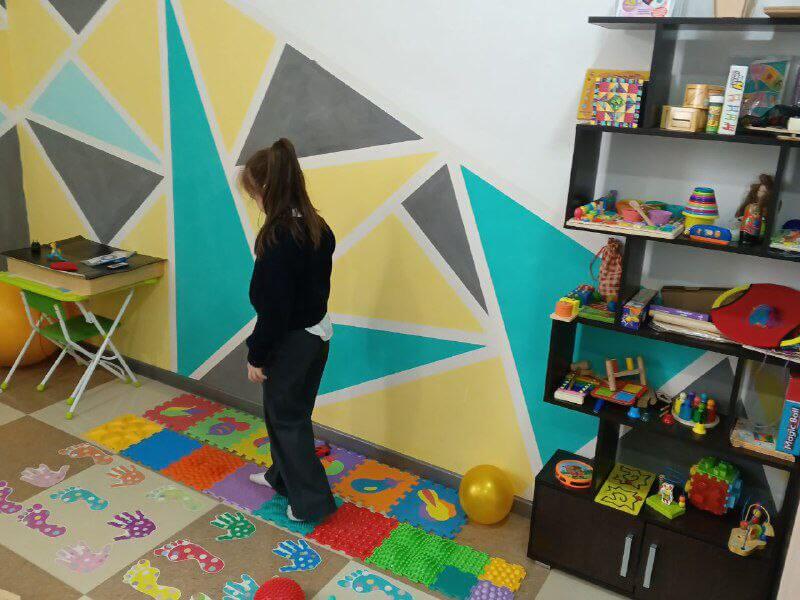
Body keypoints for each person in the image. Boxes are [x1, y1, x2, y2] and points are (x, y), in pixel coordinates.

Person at [240, 138, 337, 522]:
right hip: (316, 337)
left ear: (267, 190)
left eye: (253, 194)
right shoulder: (314, 225)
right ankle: (281, 477)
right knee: (286, 412)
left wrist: (257, 354)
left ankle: (311, 503)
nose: (255, 201)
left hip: (292, 342)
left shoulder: (279, 238)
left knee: (287, 418)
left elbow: (275, 310)